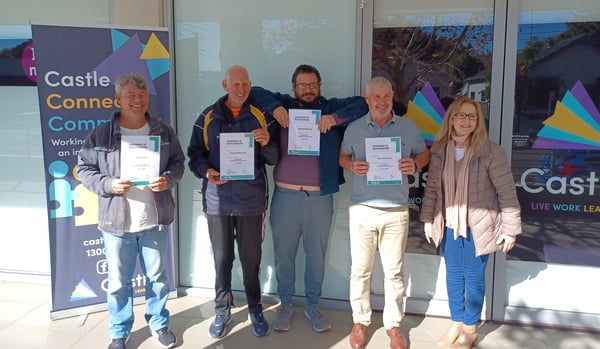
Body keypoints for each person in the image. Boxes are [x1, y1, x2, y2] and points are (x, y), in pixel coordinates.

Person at [250, 64, 368, 333]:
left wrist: (335, 118)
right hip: (285, 196)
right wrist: (276, 109)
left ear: (319, 86)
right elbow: (255, 92)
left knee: (316, 256)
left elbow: (362, 104)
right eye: (302, 85)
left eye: (312, 84)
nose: (307, 89)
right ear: (294, 87)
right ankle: (285, 307)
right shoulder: (283, 105)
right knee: (284, 256)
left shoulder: (330, 107)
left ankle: (313, 307)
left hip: (319, 198)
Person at [77, 73, 184, 349]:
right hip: (116, 223)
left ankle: (159, 324)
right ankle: (119, 331)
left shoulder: (163, 130)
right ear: (118, 99)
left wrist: (168, 179)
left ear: (148, 98)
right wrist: (109, 183)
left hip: (154, 220)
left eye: (142, 95)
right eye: (131, 96)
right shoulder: (101, 135)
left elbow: (178, 163)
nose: (137, 101)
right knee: (117, 283)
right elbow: (84, 169)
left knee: (158, 279)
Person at [419, 96, 522, 348]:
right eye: (462, 115)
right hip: (449, 224)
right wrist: (427, 219)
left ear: (478, 121)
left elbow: (506, 191)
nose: (467, 121)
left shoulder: (490, 151)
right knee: (453, 275)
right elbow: (432, 189)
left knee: (474, 276)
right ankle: (455, 322)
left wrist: (511, 230)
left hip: (480, 225)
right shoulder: (440, 150)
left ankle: (470, 327)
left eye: (472, 116)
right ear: (452, 119)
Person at [187, 65, 279, 339]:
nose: (241, 89)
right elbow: (195, 154)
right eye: (236, 85)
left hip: (251, 202)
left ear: (250, 86)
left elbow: (274, 158)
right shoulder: (208, 116)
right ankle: (221, 310)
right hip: (218, 202)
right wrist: (207, 172)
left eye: (246, 85)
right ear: (225, 84)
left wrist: (266, 143)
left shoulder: (260, 116)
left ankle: (255, 308)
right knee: (222, 259)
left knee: (251, 261)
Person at [339, 76, 430, 349]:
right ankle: (360, 321)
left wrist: (414, 163)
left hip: (396, 211)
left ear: (393, 96)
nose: (381, 101)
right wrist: (351, 166)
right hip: (362, 209)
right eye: (375, 96)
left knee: (394, 272)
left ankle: (393, 325)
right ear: (367, 99)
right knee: (360, 270)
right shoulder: (354, 129)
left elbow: (424, 155)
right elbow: (343, 157)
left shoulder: (408, 127)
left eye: (386, 95)